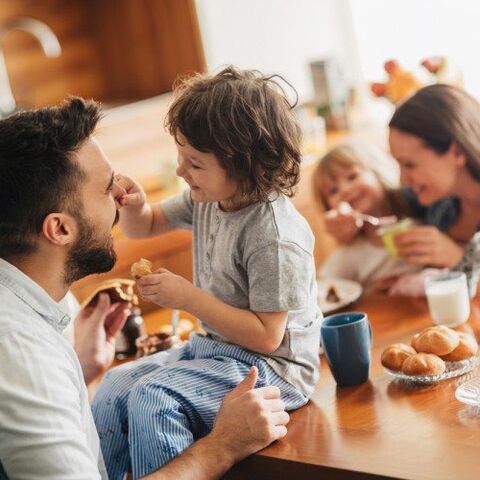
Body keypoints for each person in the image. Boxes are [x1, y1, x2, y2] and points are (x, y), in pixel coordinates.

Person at [0, 98, 290, 480]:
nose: (119, 195)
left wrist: (82, 372)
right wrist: (221, 447)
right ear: (60, 229)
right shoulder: (20, 352)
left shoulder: (38, 302)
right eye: (106, 188)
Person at [92, 67, 321, 479]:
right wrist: (134, 205)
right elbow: (144, 226)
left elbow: (268, 337)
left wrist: (188, 298)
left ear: (247, 166)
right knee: (114, 387)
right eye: (180, 157)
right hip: (215, 351)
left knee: (153, 398)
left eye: (194, 163)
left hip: (275, 370)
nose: (181, 171)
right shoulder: (210, 197)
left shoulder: (274, 236)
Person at [326, 85, 480, 294]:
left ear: (457, 152)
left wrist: (458, 260)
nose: (402, 179)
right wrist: (348, 218)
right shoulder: (434, 201)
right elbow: (383, 204)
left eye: (409, 164)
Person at [314, 140, 419, 291]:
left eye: (352, 176)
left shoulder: (423, 217)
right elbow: (321, 290)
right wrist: (368, 293)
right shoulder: (351, 252)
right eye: (333, 191)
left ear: (377, 171)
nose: (344, 190)